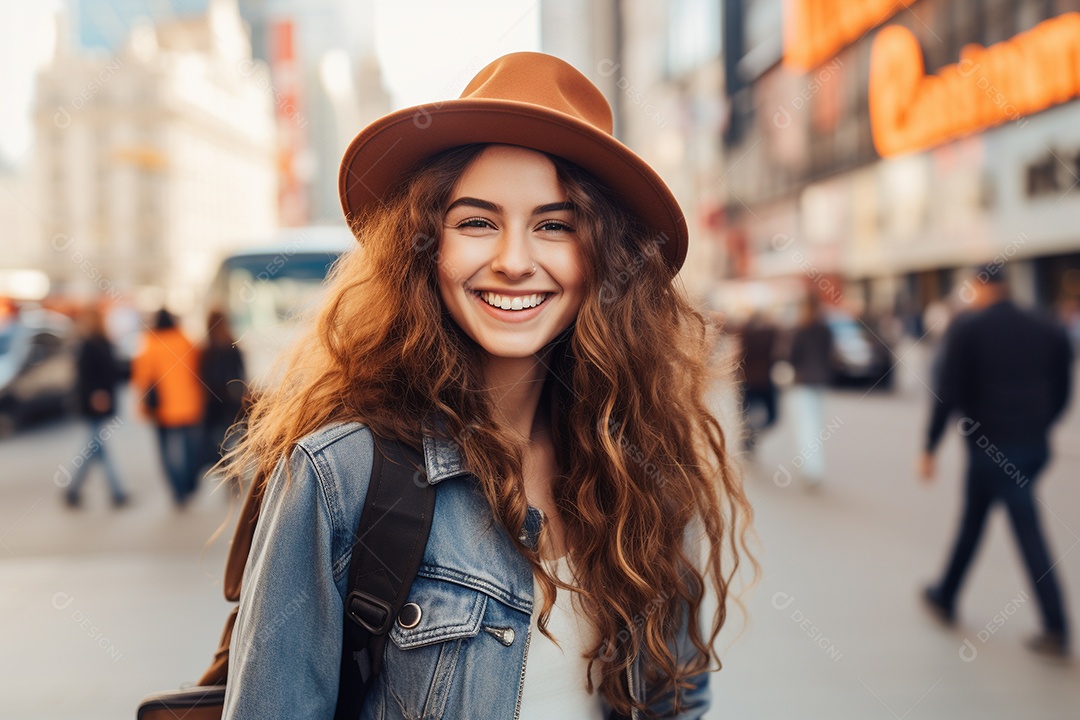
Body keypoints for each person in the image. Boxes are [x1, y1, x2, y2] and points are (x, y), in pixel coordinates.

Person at [221, 52, 752, 719]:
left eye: (555, 225)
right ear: (425, 244)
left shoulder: (645, 466)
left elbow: (676, 695)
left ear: (604, 256)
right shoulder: (342, 473)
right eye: (477, 222)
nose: (513, 262)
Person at [919, 264, 1073, 658]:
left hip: (991, 447)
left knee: (1025, 528)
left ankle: (1056, 624)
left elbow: (947, 392)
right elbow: (1063, 389)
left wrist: (930, 446)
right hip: (1033, 446)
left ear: (980, 286)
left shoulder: (968, 328)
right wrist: (1042, 424)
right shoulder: (1045, 325)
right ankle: (946, 594)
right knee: (973, 519)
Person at [131, 308, 204, 507]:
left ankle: (177, 489)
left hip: (160, 407)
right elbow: (198, 367)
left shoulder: (149, 343)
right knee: (189, 447)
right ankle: (189, 483)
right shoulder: (184, 340)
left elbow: (141, 378)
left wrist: (142, 407)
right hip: (188, 404)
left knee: (165, 450)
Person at [65, 305, 128, 508]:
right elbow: (86, 377)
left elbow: (113, 371)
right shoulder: (89, 346)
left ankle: (74, 491)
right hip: (95, 402)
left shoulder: (102, 343)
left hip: (98, 401)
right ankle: (116, 492)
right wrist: (96, 394)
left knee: (95, 447)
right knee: (96, 447)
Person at [786, 294, 834, 487]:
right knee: (815, 425)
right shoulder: (825, 329)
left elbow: (791, 356)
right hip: (819, 381)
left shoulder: (801, 330)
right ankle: (814, 468)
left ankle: (810, 468)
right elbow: (829, 354)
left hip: (802, 382)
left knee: (806, 427)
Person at [199, 309, 246, 472]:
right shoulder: (232, 345)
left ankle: (226, 469)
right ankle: (234, 471)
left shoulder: (207, 351)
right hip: (232, 403)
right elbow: (241, 374)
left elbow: (204, 378)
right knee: (233, 439)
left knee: (218, 442)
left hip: (215, 405)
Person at [736, 311, 780, 452]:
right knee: (772, 417)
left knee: (746, 416)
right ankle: (751, 436)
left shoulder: (745, 334)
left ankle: (749, 436)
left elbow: (739, 357)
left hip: (748, 381)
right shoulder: (770, 334)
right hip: (765, 382)